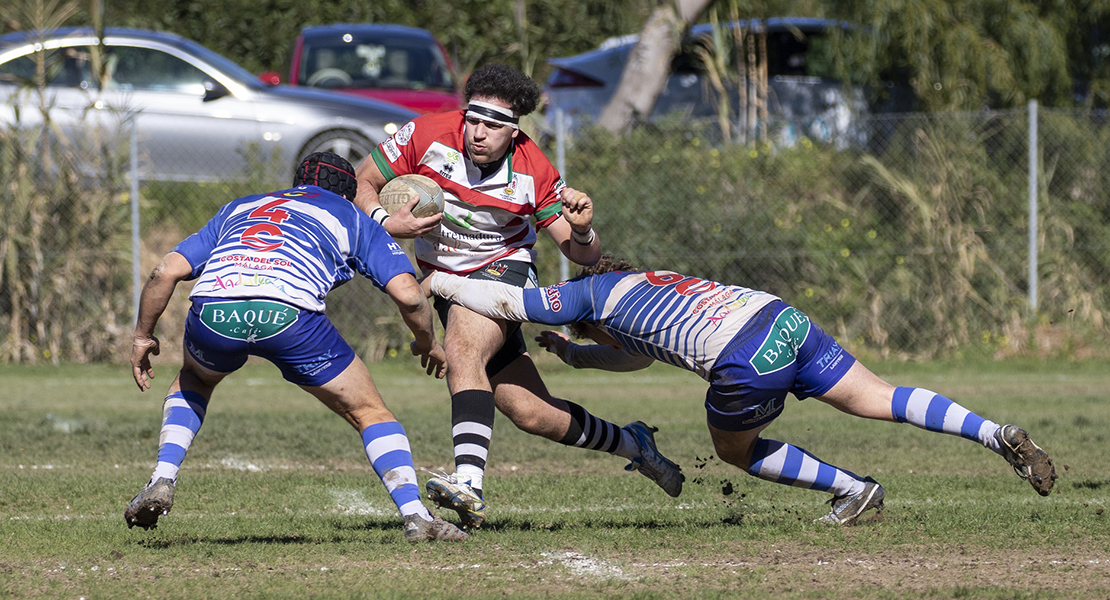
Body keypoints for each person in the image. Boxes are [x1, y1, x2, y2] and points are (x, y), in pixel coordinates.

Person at [424, 255, 1059, 525]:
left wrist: (439, 282)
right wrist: (579, 358)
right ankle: (993, 433)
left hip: (741, 356)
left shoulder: (592, 293)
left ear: (587, 305)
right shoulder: (652, 287)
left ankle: (854, 490)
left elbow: (509, 299)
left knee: (733, 450)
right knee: (881, 397)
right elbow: (635, 359)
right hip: (780, 319)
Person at [353, 64, 682, 529]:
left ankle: (468, 483)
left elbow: (580, 252)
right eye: (473, 119)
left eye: (492, 125)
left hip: (502, 270)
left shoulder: (534, 168)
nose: (478, 133)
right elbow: (361, 181)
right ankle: (635, 445)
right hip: (442, 280)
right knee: (531, 412)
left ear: (514, 130)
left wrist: (585, 228)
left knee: (463, 347)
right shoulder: (426, 134)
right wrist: (387, 223)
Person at [124, 152, 467, 543]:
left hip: (213, 313)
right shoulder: (352, 215)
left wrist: (141, 336)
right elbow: (409, 296)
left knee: (195, 380)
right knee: (369, 411)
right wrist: (428, 343)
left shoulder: (242, 206)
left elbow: (164, 271)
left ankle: (162, 477)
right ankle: (416, 516)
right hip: (289, 318)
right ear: (351, 193)